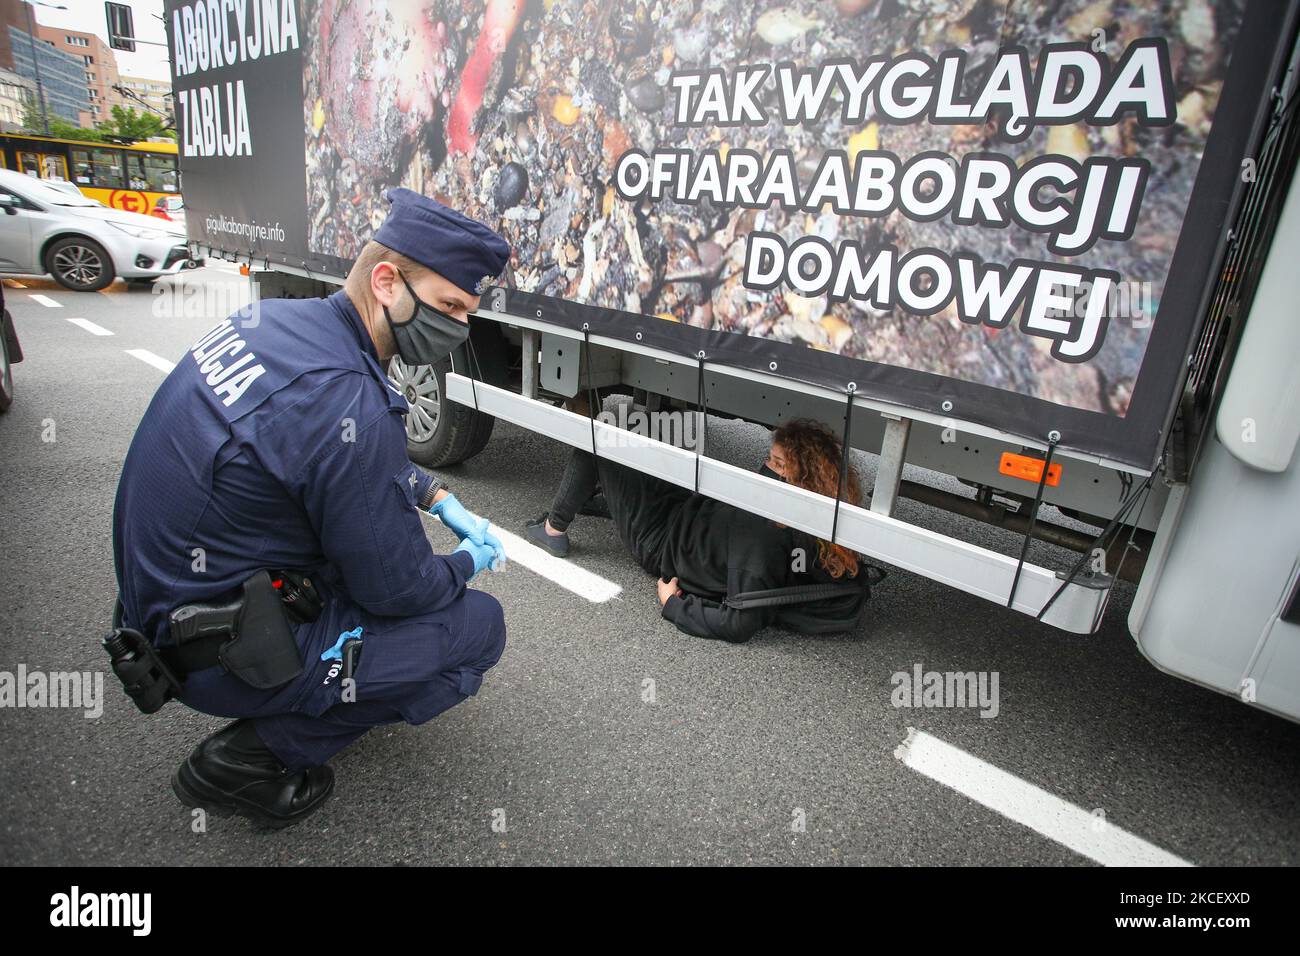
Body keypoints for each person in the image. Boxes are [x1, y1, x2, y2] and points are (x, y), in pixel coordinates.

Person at [111, 188, 511, 827]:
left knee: (349, 561)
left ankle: (309, 686)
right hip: (217, 651)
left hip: (159, 609)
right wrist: (465, 562)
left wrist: (434, 493)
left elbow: (310, 450)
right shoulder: (350, 397)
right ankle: (249, 758)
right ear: (387, 283)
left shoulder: (277, 325)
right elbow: (400, 590)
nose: (459, 330)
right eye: (449, 306)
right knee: (476, 628)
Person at [526, 419, 871, 642]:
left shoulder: (763, 539)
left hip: (662, 539)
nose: (767, 467)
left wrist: (672, 605)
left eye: (778, 464)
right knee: (636, 454)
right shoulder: (812, 521)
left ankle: (552, 531)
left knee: (598, 439)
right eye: (770, 457)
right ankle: (601, 497)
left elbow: (739, 624)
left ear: (803, 479)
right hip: (693, 511)